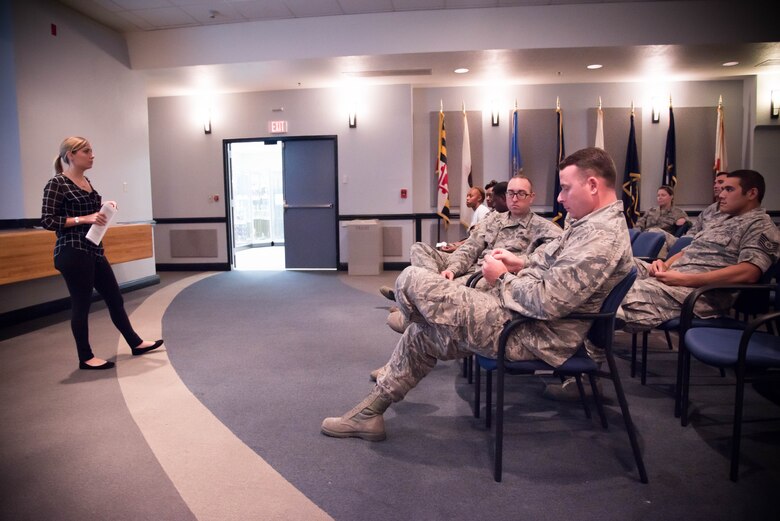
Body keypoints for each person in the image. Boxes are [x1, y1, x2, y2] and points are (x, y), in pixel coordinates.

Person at [322, 147, 633, 441]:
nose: (560, 197)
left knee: (412, 279)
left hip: (534, 334)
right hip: (521, 317)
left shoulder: (600, 238)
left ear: (593, 185)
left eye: (565, 188)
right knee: (424, 331)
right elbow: (548, 265)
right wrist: (518, 262)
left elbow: (547, 302)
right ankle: (370, 412)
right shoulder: (588, 226)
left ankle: (415, 315)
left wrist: (501, 278)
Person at [41, 137, 164, 370]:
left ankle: (135, 343)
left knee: (115, 298)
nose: (92, 155)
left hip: (93, 248)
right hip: (72, 250)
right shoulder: (57, 183)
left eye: (91, 151)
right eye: (86, 151)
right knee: (81, 304)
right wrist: (84, 218)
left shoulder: (86, 181)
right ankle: (86, 357)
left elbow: (92, 215)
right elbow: (48, 220)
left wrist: (105, 208)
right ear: (70, 155)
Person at [618, 170, 780, 332]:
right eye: (722, 189)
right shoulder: (721, 220)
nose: (721, 195)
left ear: (751, 193)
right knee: (615, 263)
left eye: (729, 189)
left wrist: (684, 279)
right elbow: (687, 251)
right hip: (673, 277)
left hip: (696, 294)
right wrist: (665, 264)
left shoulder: (761, 226)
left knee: (614, 291)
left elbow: (749, 273)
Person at [685, 171, 728, 237]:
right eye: (715, 183)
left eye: (720, 182)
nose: (715, 186)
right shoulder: (709, 209)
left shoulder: (735, 211)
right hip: (696, 241)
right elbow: (693, 230)